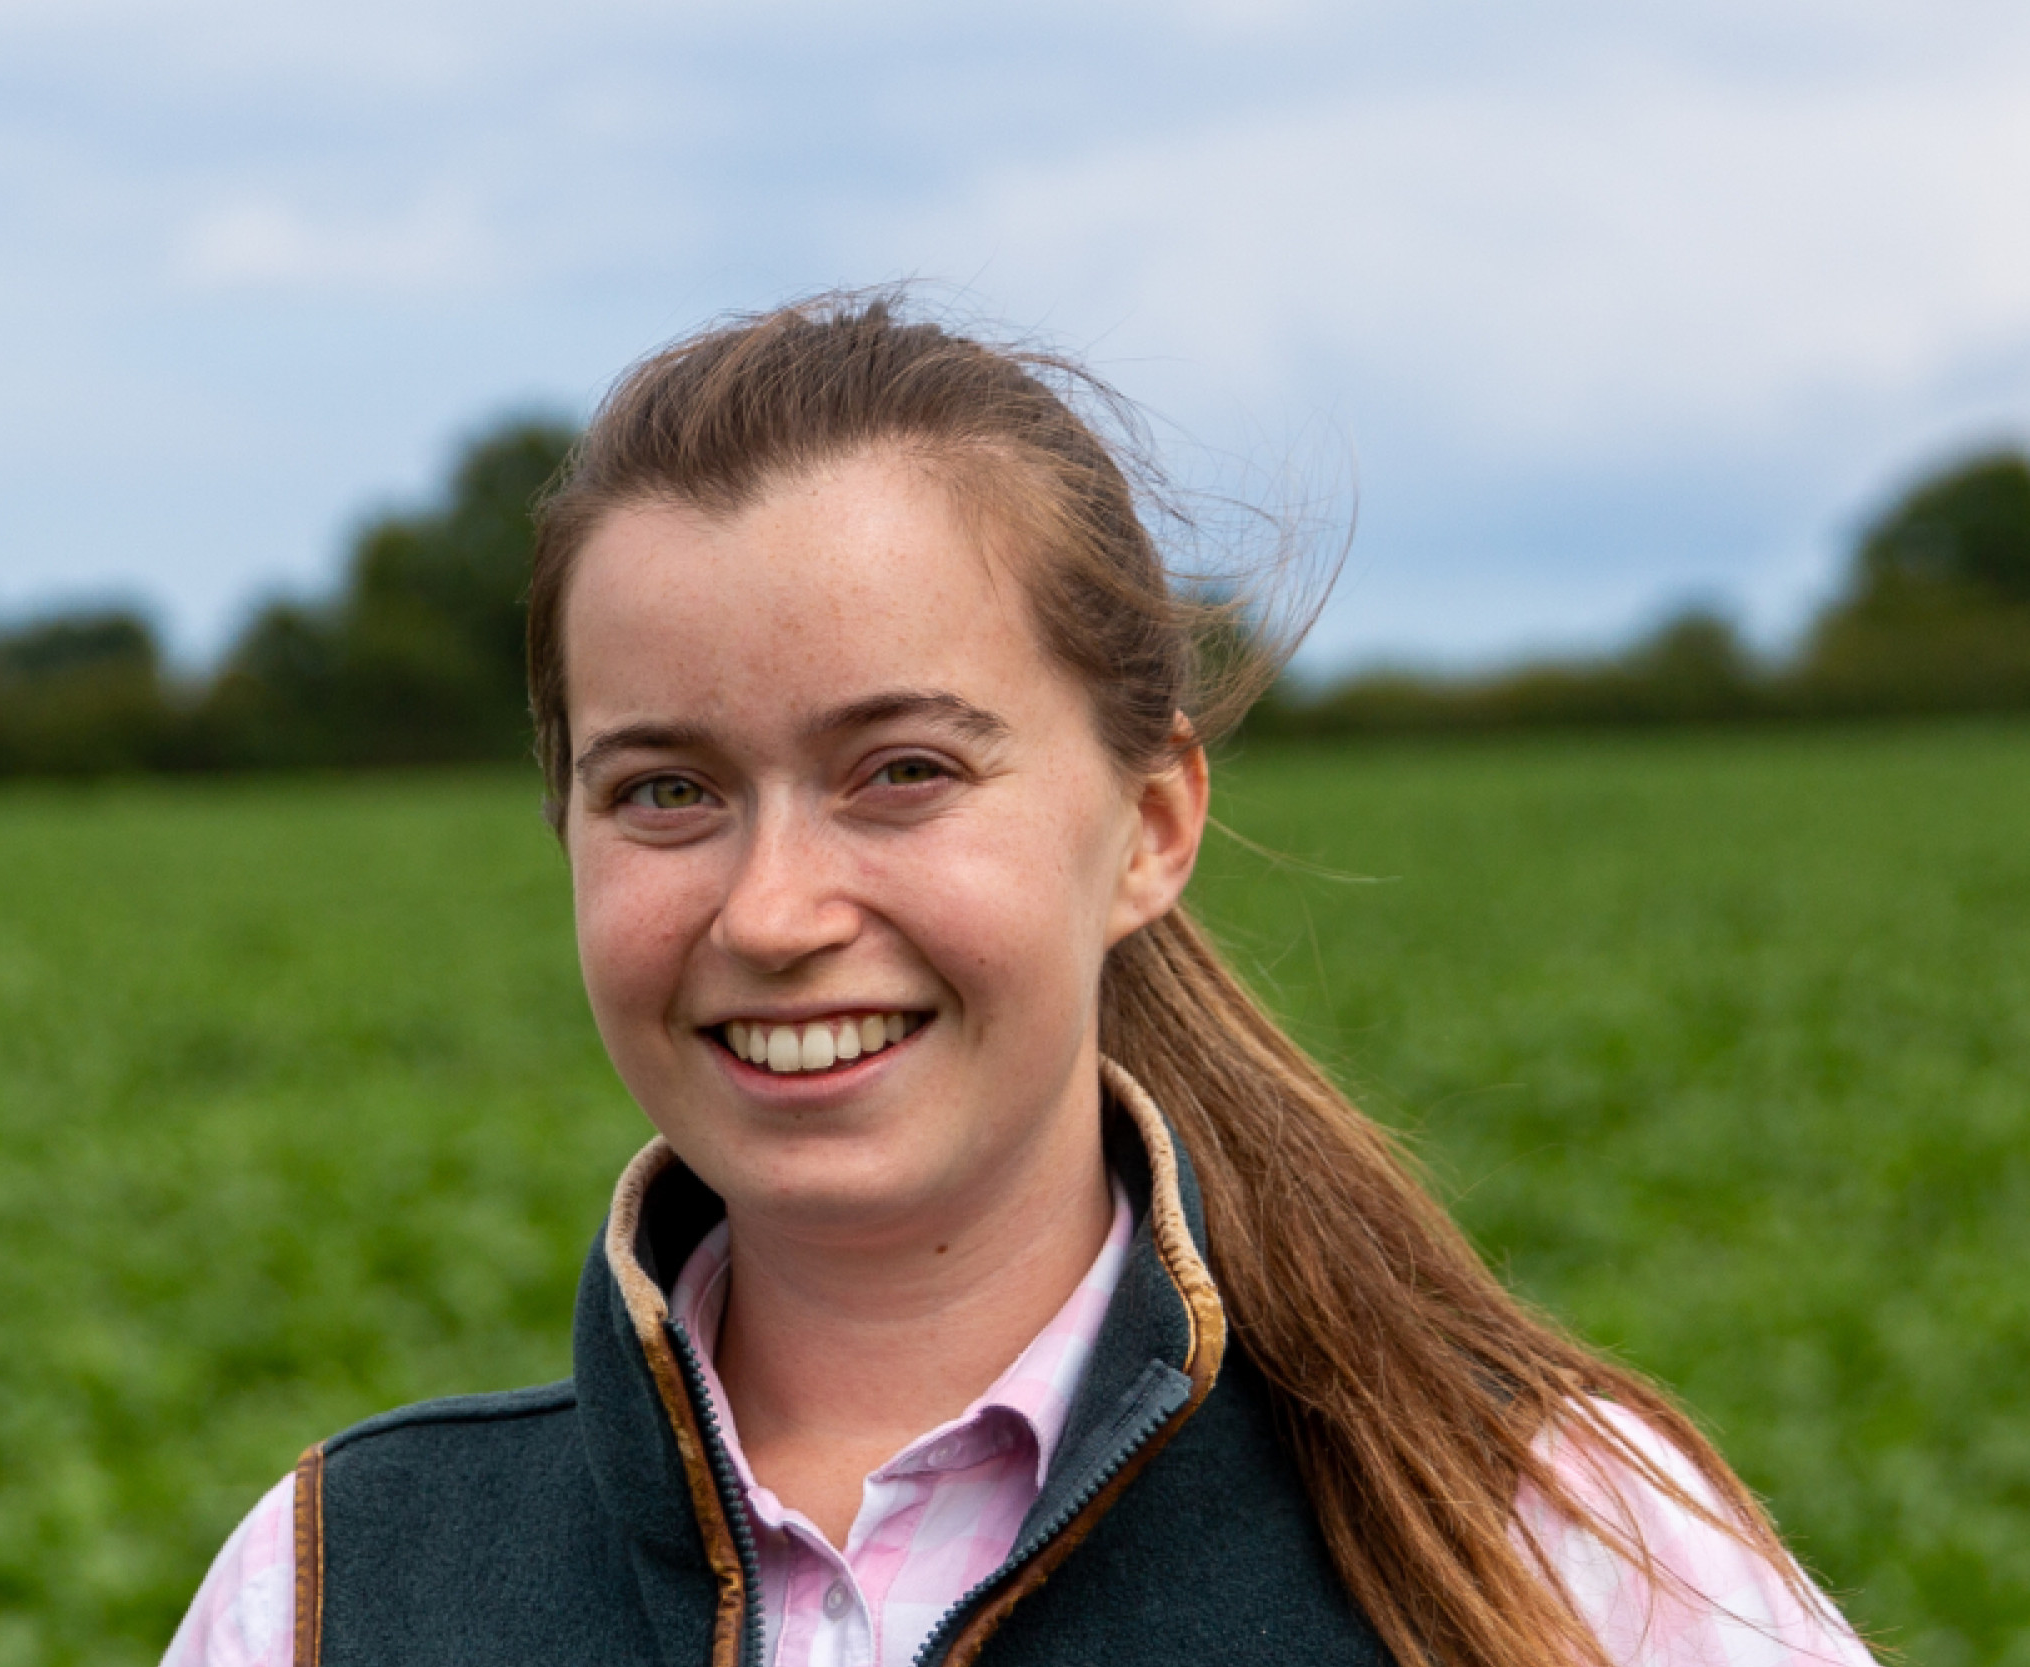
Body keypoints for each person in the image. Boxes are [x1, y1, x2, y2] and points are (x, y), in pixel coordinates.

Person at [162, 295, 1876, 1667]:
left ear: (1150, 825)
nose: (774, 910)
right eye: (665, 791)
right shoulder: (335, 1593)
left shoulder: (1537, 1538)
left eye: (902, 771)